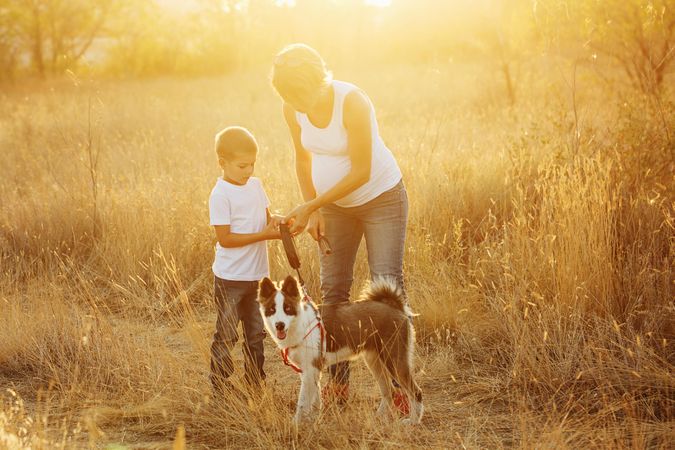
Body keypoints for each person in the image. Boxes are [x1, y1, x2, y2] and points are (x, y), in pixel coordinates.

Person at [271, 43, 409, 409]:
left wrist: (312, 204)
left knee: (386, 288)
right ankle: (338, 385)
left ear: (319, 78)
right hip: (334, 207)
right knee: (332, 292)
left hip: (381, 198)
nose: (299, 104)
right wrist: (315, 210)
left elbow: (361, 171)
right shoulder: (292, 107)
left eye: (302, 95)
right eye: (291, 97)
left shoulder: (352, 102)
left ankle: (398, 391)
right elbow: (302, 160)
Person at [208, 125, 280, 399]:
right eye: (241, 166)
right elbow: (225, 238)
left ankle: (255, 384)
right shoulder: (220, 195)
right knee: (226, 334)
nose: (248, 171)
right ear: (222, 163)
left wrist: (282, 224)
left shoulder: (256, 185)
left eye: (252, 164)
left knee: (257, 333)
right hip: (230, 279)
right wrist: (265, 234)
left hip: (259, 277)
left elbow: (267, 218)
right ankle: (220, 387)